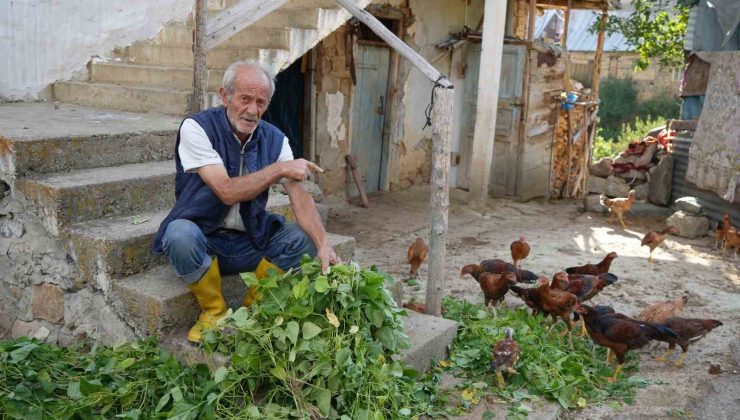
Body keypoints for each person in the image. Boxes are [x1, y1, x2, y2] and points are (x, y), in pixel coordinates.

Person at [152, 60, 339, 343]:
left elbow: (300, 197)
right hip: (205, 239)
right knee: (178, 233)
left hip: (249, 240)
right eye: (245, 99)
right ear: (225, 96)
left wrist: (324, 244)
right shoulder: (198, 128)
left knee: (303, 238)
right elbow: (226, 191)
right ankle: (213, 311)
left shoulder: (275, 140)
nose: (253, 110)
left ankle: (252, 312)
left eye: (261, 102)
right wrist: (278, 169)